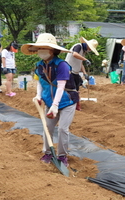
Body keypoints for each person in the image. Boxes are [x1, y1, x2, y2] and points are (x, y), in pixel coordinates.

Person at [21, 33, 79, 167]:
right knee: (47, 127)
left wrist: (55, 105)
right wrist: (38, 95)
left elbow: (60, 87)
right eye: (39, 48)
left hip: (66, 102)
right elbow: (40, 82)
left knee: (63, 129)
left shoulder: (62, 65)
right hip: (49, 101)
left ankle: (62, 156)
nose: (41, 51)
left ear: (52, 50)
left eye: (44, 48)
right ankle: (47, 153)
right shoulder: (39, 65)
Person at [65, 37, 99, 110]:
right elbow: (74, 54)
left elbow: (81, 64)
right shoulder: (78, 46)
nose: (90, 50)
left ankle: (76, 104)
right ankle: (70, 104)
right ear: (87, 45)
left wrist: (85, 73)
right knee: (72, 89)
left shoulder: (83, 52)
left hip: (75, 72)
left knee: (77, 88)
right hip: (69, 71)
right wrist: (85, 59)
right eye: (90, 48)